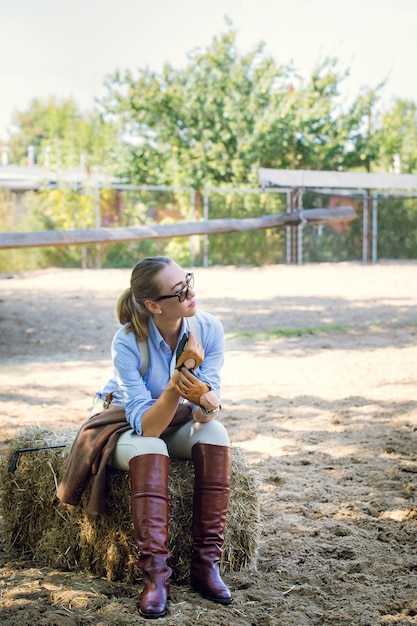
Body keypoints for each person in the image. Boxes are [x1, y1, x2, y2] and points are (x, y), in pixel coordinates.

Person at [57, 256, 233, 619]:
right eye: (179, 291)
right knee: (152, 445)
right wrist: (177, 380)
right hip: (130, 425)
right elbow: (148, 427)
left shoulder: (209, 329)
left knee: (215, 431)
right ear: (153, 305)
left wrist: (207, 402)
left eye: (188, 281)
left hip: (179, 418)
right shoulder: (126, 343)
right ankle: (156, 578)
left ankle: (206, 566)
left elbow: (203, 410)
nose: (191, 293)